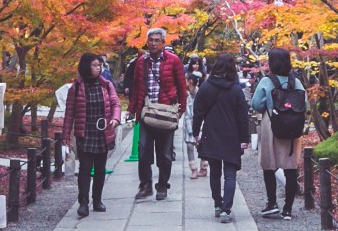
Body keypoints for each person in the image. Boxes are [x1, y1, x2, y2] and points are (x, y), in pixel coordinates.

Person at [122, 26, 188, 201]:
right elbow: (136, 88)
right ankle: (145, 185)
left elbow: (182, 87)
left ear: (163, 43)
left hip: (166, 111)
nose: (153, 43)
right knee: (143, 149)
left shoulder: (173, 61)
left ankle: (162, 185)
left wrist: (181, 109)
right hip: (146, 111)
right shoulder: (141, 62)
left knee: (165, 153)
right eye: (150, 40)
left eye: (157, 40)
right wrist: (131, 109)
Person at [248, 46, 310, 218]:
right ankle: (288, 209)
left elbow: (256, 104)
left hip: (272, 124)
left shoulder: (267, 82)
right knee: (290, 167)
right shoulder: (296, 82)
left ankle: (272, 203)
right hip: (293, 127)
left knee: (269, 165)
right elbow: (304, 104)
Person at [191, 53, 249, 221]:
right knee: (230, 174)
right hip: (232, 135)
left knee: (215, 173)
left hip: (211, 134)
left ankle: (217, 204)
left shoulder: (206, 87)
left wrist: (196, 133)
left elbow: (198, 113)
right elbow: (243, 117)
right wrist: (244, 139)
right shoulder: (236, 89)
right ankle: (226, 209)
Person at [62, 52, 120, 217]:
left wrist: (115, 118)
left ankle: (97, 200)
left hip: (103, 132)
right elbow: (69, 113)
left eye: (99, 65)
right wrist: (66, 135)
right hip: (85, 132)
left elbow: (116, 103)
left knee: (100, 169)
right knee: (85, 168)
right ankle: (83, 202)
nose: (98, 68)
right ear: (86, 66)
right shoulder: (77, 87)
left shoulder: (106, 85)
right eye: (95, 65)